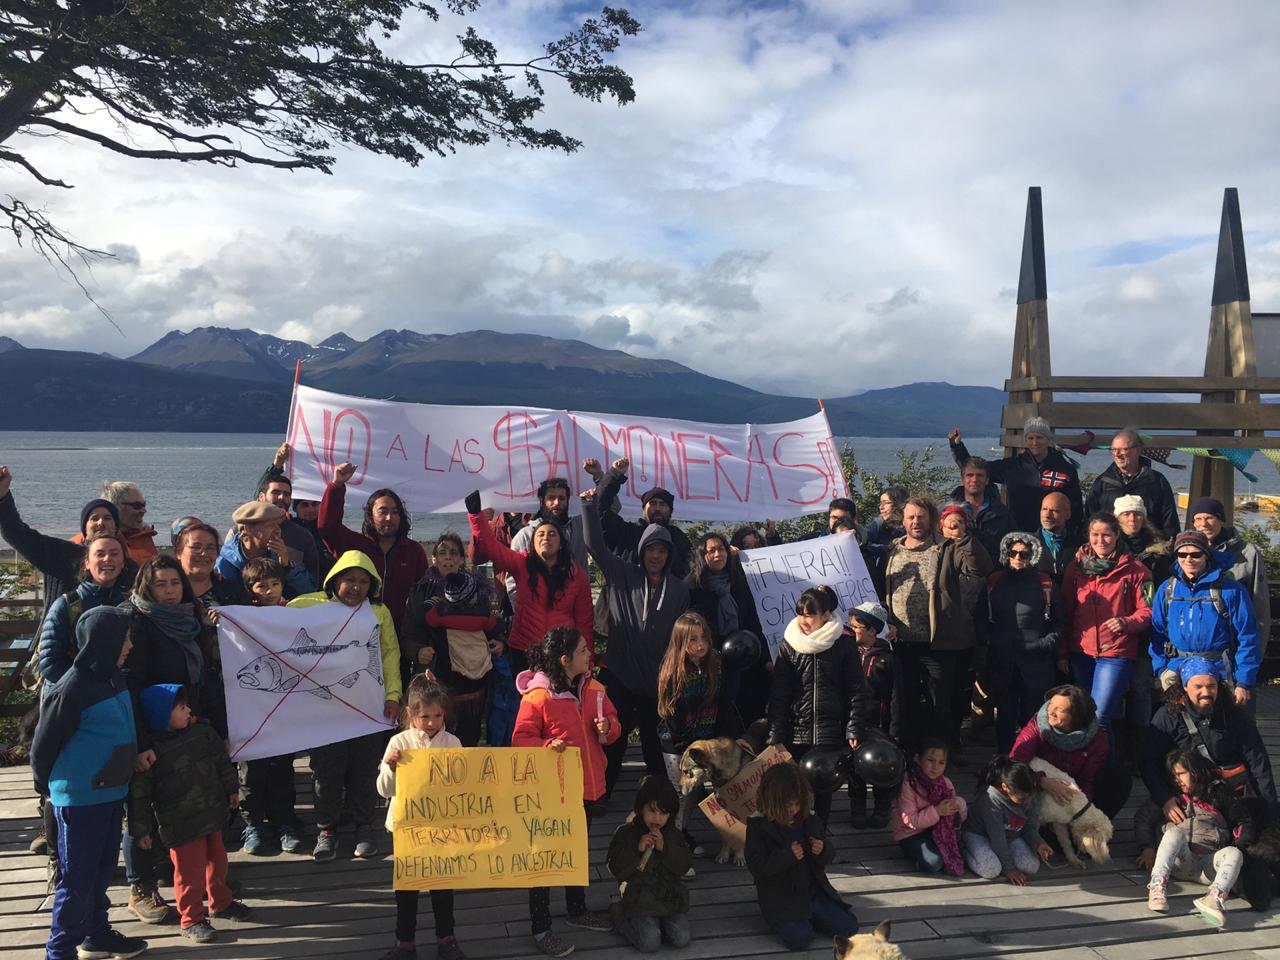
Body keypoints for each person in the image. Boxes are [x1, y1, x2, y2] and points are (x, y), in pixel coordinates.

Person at [30, 605, 147, 960]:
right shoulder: (72, 687)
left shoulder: (115, 676)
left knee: (101, 871)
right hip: (79, 800)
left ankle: (96, 934)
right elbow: (43, 746)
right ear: (104, 640)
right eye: (124, 638)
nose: (129, 644)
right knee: (76, 879)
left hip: (112, 791)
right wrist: (47, 790)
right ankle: (60, 950)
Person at [120, 554, 227, 922]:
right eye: (160, 584)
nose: (168, 591)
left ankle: (197, 882)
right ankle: (142, 886)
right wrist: (142, 741)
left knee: (186, 806)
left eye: (174, 583)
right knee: (143, 808)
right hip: (153, 732)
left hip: (189, 723)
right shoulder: (138, 620)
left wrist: (219, 730)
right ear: (146, 588)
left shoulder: (191, 616)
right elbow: (131, 686)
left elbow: (206, 676)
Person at [288, 550, 403, 862]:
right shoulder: (311, 604)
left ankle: (364, 827)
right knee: (326, 770)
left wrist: (393, 695)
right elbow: (274, 618)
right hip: (325, 711)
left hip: (368, 706)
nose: (356, 587)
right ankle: (326, 829)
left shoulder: (380, 612)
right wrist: (233, 616)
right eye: (349, 580)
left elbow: (390, 654)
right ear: (334, 580)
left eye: (364, 581)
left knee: (364, 770)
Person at [511, 626, 619, 957]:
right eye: (584, 650)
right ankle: (541, 928)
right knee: (543, 858)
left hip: (587, 789)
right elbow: (520, 739)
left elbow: (614, 726)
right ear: (565, 659)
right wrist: (546, 745)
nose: (590, 654)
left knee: (576, 852)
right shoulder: (537, 697)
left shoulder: (596, 690)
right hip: (551, 795)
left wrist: (609, 729)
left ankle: (576, 911)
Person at [580, 486, 690, 797]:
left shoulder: (679, 590)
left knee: (656, 745)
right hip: (620, 674)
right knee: (611, 739)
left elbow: (682, 639)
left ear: (669, 555)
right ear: (641, 551)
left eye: (662, 551)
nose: (655, 556)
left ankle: (660, 798)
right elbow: (594, 545)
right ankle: (601, 793)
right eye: (650, 549)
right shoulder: (622, 573)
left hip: (658, 680)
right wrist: (588, 506)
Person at [127, 684, 249, 943]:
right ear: (162, 716)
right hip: (180, 825)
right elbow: (139, 795)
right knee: (189, 873)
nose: (188, 710)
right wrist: (141, 830)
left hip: (213, 813)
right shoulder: (152, 753)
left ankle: (221, 902)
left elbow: (222, 763)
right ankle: (191, 918)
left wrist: (231, 790)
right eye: (181, 708)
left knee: (218, 861)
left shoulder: (203, 733)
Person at [1137, 658, 1276, 873]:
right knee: (1154, 818)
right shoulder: (1166, 716)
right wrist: (1163, 797)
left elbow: (1259, 765)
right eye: (1198, 686)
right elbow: (1148, 763)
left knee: (1260, 831)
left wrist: (1269, 812)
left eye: (1211, 686)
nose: (1205, 692)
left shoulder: (1236, 715)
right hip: (1184, 792)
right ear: (1184, 687)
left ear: (1219, 686)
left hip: (1228, 793)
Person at [883, 497, 993, 752]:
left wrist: (963, 537)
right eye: (910, 517)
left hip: (937, 643)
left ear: (932, 520)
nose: (916, 522)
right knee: (904, 701)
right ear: (903, 520)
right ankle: (908, 753)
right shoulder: (893, 549)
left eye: (921, 517)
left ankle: (943, 754)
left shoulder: (947, 547)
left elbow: (980, 569)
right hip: (901, 642)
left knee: (939, 703)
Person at [376, 677, 465, 960]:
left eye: (437, 716)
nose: (431, 722)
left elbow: (464, 785)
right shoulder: (398, 742)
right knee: (407, 889)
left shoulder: (452, 743)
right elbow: (384, 790)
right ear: (411, 714)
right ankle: (405, 943)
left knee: (442, 886)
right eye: (424, 716)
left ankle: (447, 939)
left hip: (441, 827)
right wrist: (390, 766)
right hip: (406, 827)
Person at [768, 586, 872, 824]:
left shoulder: (844, 645)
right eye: (800, 614)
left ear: (826, 614)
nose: (804, 621)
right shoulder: (789, 644)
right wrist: (776, 732)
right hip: (797, 728)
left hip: (830, 728)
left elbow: (856, 690)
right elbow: (780, 693)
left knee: (823, 785)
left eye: (810, 615)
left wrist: (854, 727)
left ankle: (819, 831)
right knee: (795, 786)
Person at [465, 490, 591, 678]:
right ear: (532, 544)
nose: (545, 538)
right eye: (540, 535)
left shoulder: (577, 576)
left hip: (563, 654)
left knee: (560, 705)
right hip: (524, 650)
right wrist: (476, 515)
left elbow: (585, 621)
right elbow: (492, 548)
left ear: (562, 544)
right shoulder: (522, 565)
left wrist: (588, 661)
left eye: (552, 534)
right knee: (528, 705)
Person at [1060, 512, 1152, 754]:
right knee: (1084, 716)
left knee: (1099, 717)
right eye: (1095, 535)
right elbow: (1065, 612)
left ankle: (1106, 777)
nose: (1100, 540)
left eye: (1106, 535)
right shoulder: (1076, 568)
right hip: (1081, 651)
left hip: (1116, 652)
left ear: (1117, 535)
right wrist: (1062, 652)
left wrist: (1127, 622)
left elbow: (1148, 610)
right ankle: (1089, 767)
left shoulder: (1137, 570)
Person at [745, 762, 857, 951]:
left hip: (813, 893)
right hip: (783, 899)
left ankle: (814, 915)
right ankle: (797, 921)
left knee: (849, 927)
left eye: (797, 803)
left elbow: (828, 854)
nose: (794, 810)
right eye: (788, 805)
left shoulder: (809, 820)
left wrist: (821, 849)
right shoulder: (758, 827)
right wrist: (787, 856)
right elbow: (757, 867)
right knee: (799, 940)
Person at [0, 466, 138, 615]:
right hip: (59, 636)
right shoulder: (60, 553)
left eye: (107, 518)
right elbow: (16, 533)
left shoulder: (128, 567)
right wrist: (3, 496)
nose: (100, 523)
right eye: (94, 518)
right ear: (84, 528)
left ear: (116, 527)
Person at [237, 558, 305, 858]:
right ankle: (253, 823)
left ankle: (284, 820)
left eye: (274, 584)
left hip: (287, 706)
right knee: (252, 769)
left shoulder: (294, 613)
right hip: (252, 708)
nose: (269, 590)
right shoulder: (242, 616)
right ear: (250, 589)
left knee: (282, 766)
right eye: (261, 585)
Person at [1150, 529, 1260, 708]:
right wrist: (1162, 669)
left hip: (1220, 672)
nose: (1188, 559)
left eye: (1195, 554)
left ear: (1206, 555)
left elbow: (1248, 637)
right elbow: (1156, 634)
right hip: (1177, 670)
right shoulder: (1167, 589)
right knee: (1179, 727)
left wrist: (1243, 682)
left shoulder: (1231, 590)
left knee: (1223, 730)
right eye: (1182, 554)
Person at [1146, 749, 1253, 927]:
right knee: (1173, 831)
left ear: (1194, 771)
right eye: (1173, 775)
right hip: (1181, 861)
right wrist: (1146, 847)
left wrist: (1239, 843)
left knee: (1235, 853)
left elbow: (1244, 821)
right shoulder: (1171, 796)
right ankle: (1157, 886)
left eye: (1181, 774)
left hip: (1210, 867)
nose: (1177, 780)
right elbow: (1143, 818)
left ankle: (1214, 898)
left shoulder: (1219, 792)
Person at [977, 532, 1061, 753]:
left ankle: (1031, 762)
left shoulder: (1045, 583)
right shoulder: (994, 581)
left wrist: (1043, 644)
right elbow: (979, 617)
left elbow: (1060, 622)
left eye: (1024, 554)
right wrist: (991, 640)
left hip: (1036, 662)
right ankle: (1005, 762)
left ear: (1032, 556)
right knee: (1004, 715)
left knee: (1033, 717)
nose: (1017, 557)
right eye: (1013, 552)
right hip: (1002, 660)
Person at [319, 461, 429, 626]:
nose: (389, 518)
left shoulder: (414, 551)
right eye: (383, 511)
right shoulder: (354, 545)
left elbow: (423, 595)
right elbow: (327, 527)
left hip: (402, 635)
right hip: (356, 632)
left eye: (395, 512)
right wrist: (336, 486)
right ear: (370, 516)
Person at [656, 611, 731, 845]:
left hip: (705, 740)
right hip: (677, 743)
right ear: (681, 643)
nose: (700, 645)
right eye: (692, 640)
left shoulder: (716, 663)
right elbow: (671, 712)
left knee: (695, 792)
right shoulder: (673, 670)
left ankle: (681, 831)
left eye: (703, 638)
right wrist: (684, 744)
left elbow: (723, 702)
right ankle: (671, 838)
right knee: (681, 791)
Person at [403, 570, 496, 746]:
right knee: (469, 735)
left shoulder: (440, 614)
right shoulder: (483, 615)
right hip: (476, 688)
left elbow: (422, 616)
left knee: (444, 736)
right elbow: (495, 626)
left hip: (450, 685)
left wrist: (433, 602)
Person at [1011, 684, 1131, 819]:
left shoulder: (1097, 739)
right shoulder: (1036, 726)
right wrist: (1042, 781)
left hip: (1073, 787)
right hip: (1038, 787)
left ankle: (1089, 827)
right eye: (1051, 704)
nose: (1050, 711)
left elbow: (1087, 780)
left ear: (1076, 716)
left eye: (1059, 710)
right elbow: (1015, 764)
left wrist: (1081, 813)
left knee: (1118, 777)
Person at [686, 531, 768, 725]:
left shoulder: (738, 582)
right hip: (704, 663)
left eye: (721, 549)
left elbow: (752, 621)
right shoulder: (692, 586)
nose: (717, 555)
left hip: (736, 661)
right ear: (702, 554)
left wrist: (765, 656)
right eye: (711, 550)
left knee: (730, 712)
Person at [949, 418, 1084, 535]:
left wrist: (1073, 533)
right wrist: (957, 447)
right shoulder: (1012, 466)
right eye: (1031, 438)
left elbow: (1075, 505)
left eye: (1039, 437)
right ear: (1025, 440)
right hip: (1019, 533)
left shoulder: (1065, 469)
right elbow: (975, 470)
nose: (1035, 442)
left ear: (1048, 439)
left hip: (1055, 535)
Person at [605, 775, 693, 953]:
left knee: (681, 938)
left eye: (663, 813)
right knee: (649, 942)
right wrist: (637, 850)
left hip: (668, 896)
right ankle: (618, 914)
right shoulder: (627, 832)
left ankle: (660, 923)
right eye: (652, 811)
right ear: (640, 808)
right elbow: (615, 867)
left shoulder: (673, 834)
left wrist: (665, 849)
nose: (657, 818)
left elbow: (684, 866)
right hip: (638, 897)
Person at [37, 532, 129, 691]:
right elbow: (49, 662)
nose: (108, 558)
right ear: (87, 563)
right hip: (72, 698)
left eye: (114, 554)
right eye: (100, 554)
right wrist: (89, 689)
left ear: (122, 563)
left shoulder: (128, 604)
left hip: (117, 696)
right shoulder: (67, 605)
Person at [1188, 497, 1271, 658]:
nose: (1203, 524)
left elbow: (1260, 605)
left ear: (1221, 520)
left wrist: (1256, 652)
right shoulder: (1186, 554)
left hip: (1235, 645)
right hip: (1197, 649)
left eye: (1209, 518)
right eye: (1198, 519)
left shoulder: (1247, 553)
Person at [594, 457, 694, 578]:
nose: (657, 508)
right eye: (653, 503)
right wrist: (614, 475)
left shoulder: (678, 538)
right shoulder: (627, 533)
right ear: (643, 509)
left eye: (662, 504)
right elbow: (599, 512)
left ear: (670, 511)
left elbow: (692, 570)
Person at [845, 602, 898, 828]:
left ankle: (882, 807)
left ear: (873, 631)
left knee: (880, 766)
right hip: (853, 721)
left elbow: (898, 696)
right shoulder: (848, 654)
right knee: (854, 766)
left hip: (879, 722)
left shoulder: (887, 659)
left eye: (857, 627)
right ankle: (857, 807)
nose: (851, 631)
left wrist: (896, 730)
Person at [962, 755, 1052, 885]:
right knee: (992, 870)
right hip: (979, 834)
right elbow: (998, 839)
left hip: (1009, 834)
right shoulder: (990, 801)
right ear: (1005, 787)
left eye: (1029, 797)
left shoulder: (1027, 796)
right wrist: (1009, 869)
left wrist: (1039, 844)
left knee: (1031, 866)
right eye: (1021, 799)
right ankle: (964, 850)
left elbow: (1028, 827)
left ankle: (997, 857)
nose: (1026, 803)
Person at [891, 737, 967, 876]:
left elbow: (958, 817)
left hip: (935, 830)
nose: (935, 767)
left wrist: (958, 804)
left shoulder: (945, 783)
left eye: (941, 762)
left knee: (958, 855)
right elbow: (911, 821)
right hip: (910, 834)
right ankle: (913, 857)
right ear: (918, 759)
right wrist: (937, 811)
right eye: (930, 760)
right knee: (934, 863)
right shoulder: (909, 783)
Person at [1086, 428, 1179, 540]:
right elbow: (1089, 520)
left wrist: (1162, 549)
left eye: (1123, 449)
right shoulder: (1102, 482)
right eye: (1113, 449)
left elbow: (1170, 523)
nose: (1117, 454)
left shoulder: (1157, 481)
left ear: (1138, 450)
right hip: (1111, 551)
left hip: (1149, 550)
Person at [507, 475, 589, 600]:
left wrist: (602, 477)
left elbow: (609, 510)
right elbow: (513, 581)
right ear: (542, 501)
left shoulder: (581, 527)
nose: (557, 503)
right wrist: (525, 612)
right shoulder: (525, 536)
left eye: (562, 498)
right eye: (551, 498)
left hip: (574, 610)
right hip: (535, 613)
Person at [215, 501, 315, 601]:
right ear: (248, 529)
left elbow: (308, 594)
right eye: (271, 525)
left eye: (278, 525)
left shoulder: (276, 555)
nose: (278, 530)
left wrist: (287, 566)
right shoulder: (225, 565)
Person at [250, 456, 322, 586]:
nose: (282, 497)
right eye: (276, 492)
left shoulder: (303, 536)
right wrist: (276, 465)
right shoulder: (243, 530)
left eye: (287, 494)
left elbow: (311, 587)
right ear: (261, 497)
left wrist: (287, 565)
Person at [174, 520, 249, 609]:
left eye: (210, 548)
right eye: (196, 547)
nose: (204, 553)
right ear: (179, 552)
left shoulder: (234, 592)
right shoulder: (166, 591)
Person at [949, 458, 1012, 560]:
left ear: (987, 480)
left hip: (993, 571)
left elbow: (1013, 542)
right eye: (970, 475)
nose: (974, 480)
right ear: (962, 479)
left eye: (980, 475)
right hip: (957, 571)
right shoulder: (948, 512)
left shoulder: (1001, 513)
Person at [100, 480, 158, 564]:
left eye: (144, 505)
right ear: (115, 507)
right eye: (137, 506)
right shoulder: (90, 542)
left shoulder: (144, 537)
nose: (144, 510)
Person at [1033, 492, 1081, 585]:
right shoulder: (1027, 545)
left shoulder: (1080, 546)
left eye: (1054, 510)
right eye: (1044, 509)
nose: (1047, 515)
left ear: (1067, 514)